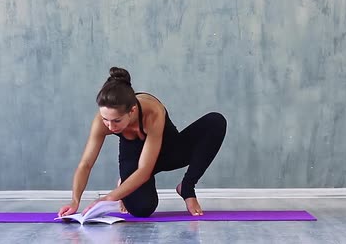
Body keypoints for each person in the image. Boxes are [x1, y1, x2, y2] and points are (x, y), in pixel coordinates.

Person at [58, 67, 227, 217]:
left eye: (116, 121)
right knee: (142, 209)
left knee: (215, 122)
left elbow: (145, 170)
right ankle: (126, 182)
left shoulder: (152, 112)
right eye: (105, 119)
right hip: (135, 159)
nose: (110, 126)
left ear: (131, 111)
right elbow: (85, 164)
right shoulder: (101, 122)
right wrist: (75, 201)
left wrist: (111, 197)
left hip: (168, 151)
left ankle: (187, 188)